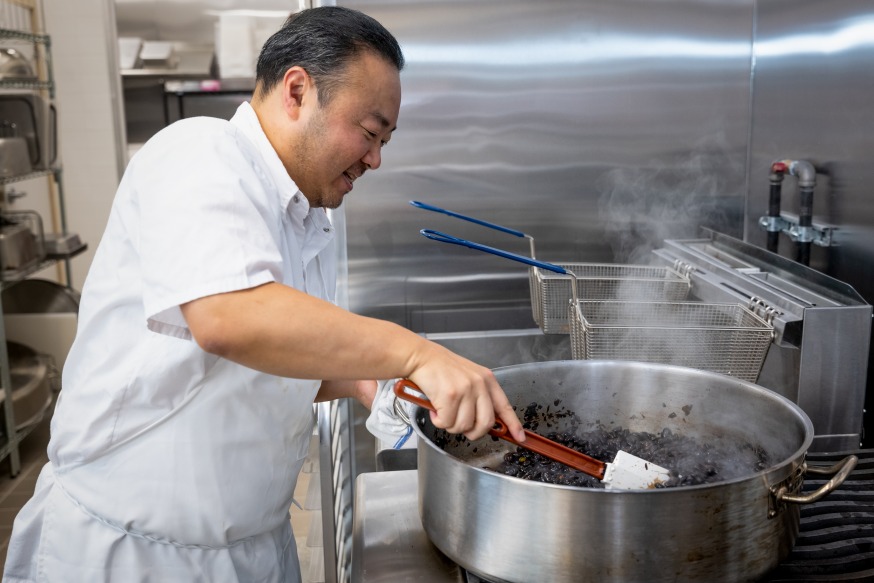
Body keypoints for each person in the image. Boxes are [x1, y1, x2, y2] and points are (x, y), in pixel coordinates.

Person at [2, 7, 523, 583]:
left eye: (384, 141)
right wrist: (416, 353)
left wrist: (368, 383)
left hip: (255, 548)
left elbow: (270, 360)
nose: (375, 159)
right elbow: (229, 318)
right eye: (370, 132)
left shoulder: (307, 220)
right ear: (297, 91)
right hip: (133, 555)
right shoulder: (198, 152)